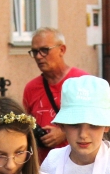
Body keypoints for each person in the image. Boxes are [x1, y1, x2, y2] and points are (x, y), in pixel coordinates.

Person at [22, 27, 88, 162]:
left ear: (62, 50)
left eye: (44, 50)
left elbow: (95, 121)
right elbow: (26, 123)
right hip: (42, 165)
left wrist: (64, 133)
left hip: (75, 163)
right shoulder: (31, 88)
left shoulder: (82, 81)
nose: (39, 56)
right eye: (35, 52)